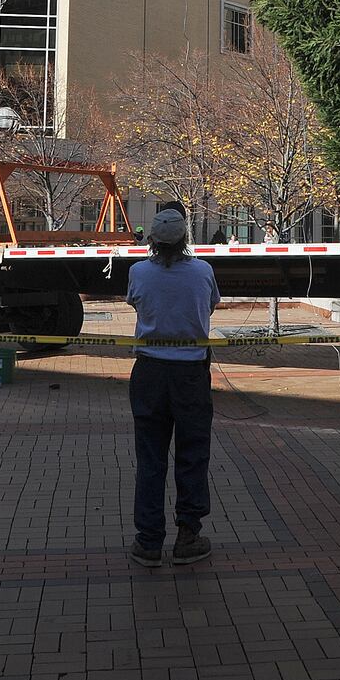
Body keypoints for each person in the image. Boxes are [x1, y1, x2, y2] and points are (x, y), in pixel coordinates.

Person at [124, 207, 220, 568]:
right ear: (185, 239)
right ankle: (188, 536)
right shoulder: (203, 272)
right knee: (193, 453)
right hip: (191, 375)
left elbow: (135, 302)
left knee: (150, 457)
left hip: (149, 372)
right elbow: (211, 305)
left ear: (151, 239)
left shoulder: (138, 273)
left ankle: (149, 541)